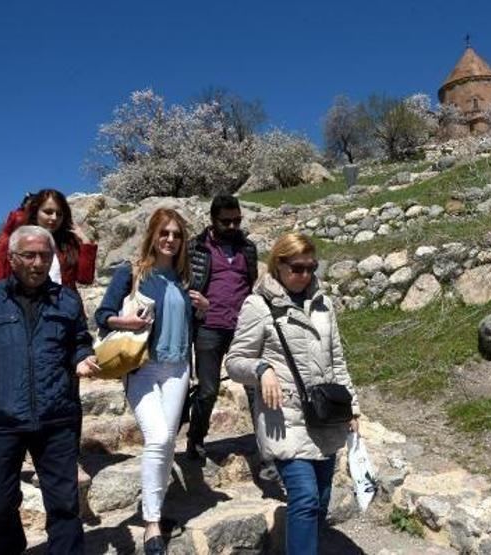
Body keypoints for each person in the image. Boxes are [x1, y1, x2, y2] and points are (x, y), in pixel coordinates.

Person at [0, 225, 100, 554]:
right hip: (2, 419)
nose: (38, 263)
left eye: (45, 256)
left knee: (64, 508)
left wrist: (81, 357)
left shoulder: (67, 300)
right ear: (12, 258)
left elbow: (79, 342)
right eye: (29, 255)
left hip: (57, 416)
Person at [225, 232, 360, 555]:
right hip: (284, 419)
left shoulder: (323, 303)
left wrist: (353, 406)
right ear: (278, 264)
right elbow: (234, 361)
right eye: (297, 268)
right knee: (305, 497)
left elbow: (337, 360)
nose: (305, 275)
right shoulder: (258, 305)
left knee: (321, 501)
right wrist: (261, 369)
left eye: (311, 267)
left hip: (325, 416)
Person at [94, 208, 209, 555]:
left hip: (178, 369)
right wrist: (125, 322)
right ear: (153, 236)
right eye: (164, 233)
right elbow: (102, 315)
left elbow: (189, 325)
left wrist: (202, 309)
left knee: (168, 441)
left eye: (177, 234)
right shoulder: (132, 273)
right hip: (142, 367)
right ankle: (152, 523)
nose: (170, 239)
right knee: (157, 437)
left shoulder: (185, 279)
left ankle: (154, 510)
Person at [185, 194, 258, 462]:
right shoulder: (195, 248)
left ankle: (266, 443)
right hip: (209, 327)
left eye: (237, 220)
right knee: (207, 390)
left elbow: (250, 282)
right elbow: (184, 284)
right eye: (226, 221)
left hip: (243, 328)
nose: (232, 226)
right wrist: (199, 305)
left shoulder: (247, 248)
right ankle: (196, 438)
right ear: (212, 219)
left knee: (254, 387)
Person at [0, 189, 98, 291]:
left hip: (64, 301)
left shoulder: (67, 244)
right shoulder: (16, 242)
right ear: (36, 212)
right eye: (48, 212)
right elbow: (0, 284)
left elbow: (85, 279)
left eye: (59, 214)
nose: (54, 218)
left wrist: (86, 243)